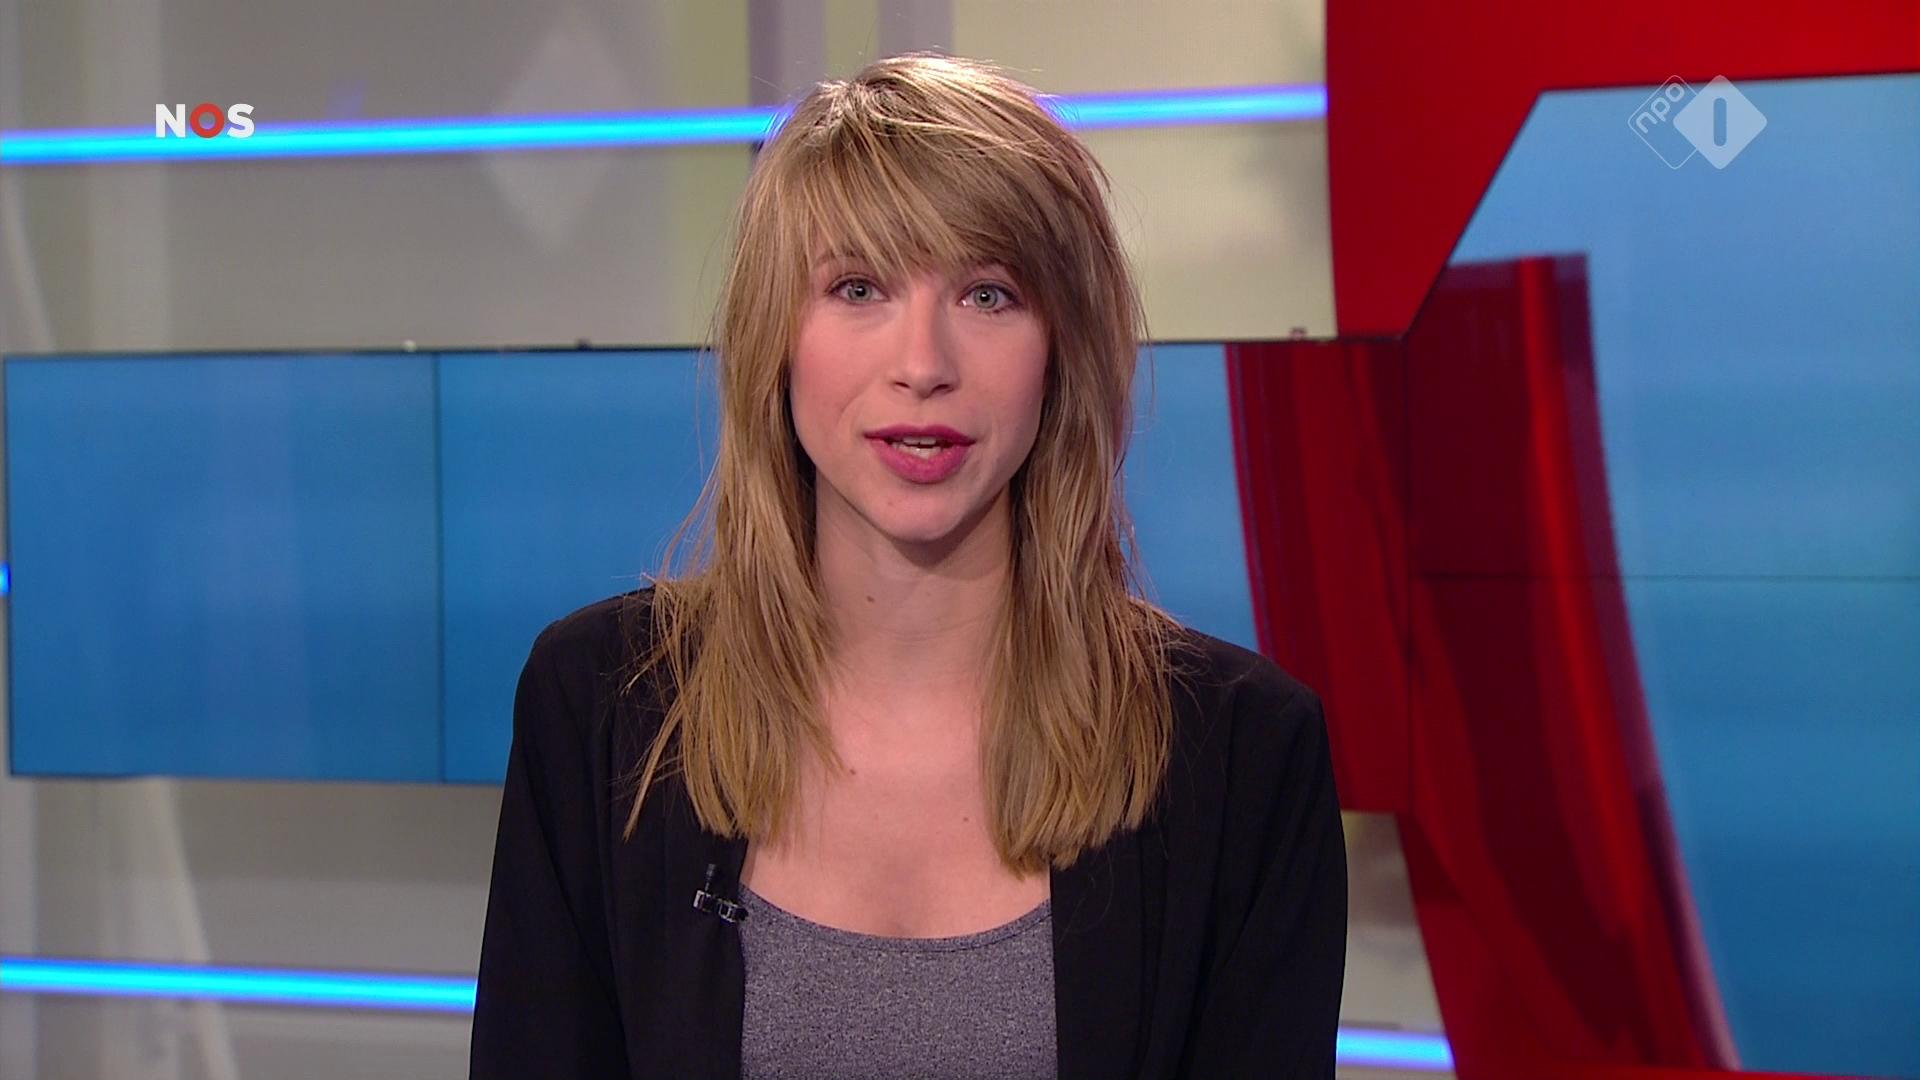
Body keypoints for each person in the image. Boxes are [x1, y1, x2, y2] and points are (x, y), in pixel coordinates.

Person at [469, 52, 1346, 1080]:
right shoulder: (603, 707)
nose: (923, 364)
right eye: (858, 287)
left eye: (988, 293)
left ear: (1060, 348)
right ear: (775, 339)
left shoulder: (1243, 757)